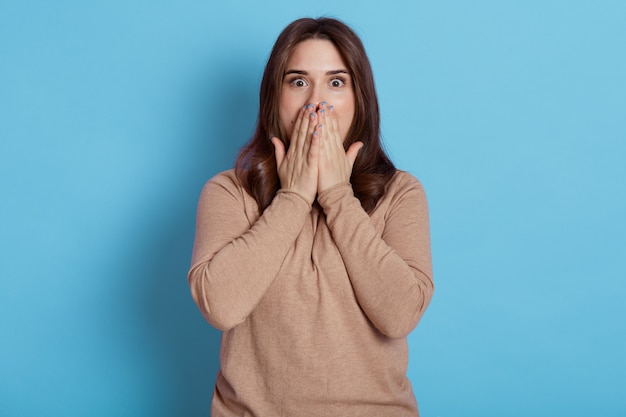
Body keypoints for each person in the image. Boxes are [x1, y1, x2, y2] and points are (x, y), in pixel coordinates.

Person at [188, 17, 434, 416]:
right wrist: (295, 195)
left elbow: (401, 314)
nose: (315, 103)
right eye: (298, 81)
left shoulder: (401, 193)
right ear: (274, 97)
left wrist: (338, 196)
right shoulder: (228, 192)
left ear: (360, 99)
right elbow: (221, 306)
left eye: (336, 82)